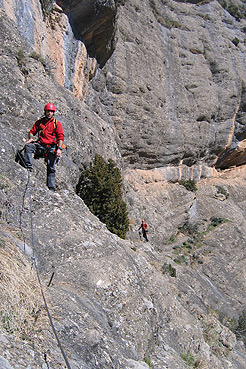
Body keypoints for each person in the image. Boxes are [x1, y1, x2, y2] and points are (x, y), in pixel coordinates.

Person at [23, 103, 64, 191]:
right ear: (45, 112)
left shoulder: (56, 124)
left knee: (51, 167)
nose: (49, 113)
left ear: (53, 113)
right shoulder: (40, 122)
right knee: (28, 147)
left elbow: (60, 137)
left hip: (50, 148)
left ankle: (51, 187)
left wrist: (59, 149)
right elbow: (31, 131)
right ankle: (28, 168)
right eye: (48, 111)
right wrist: (31, 138)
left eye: (51, 111)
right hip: (40, 146)